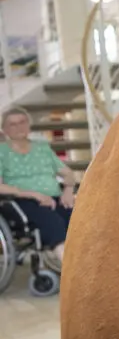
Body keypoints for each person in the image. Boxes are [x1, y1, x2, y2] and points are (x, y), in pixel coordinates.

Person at [0, 107, 75, 262]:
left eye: (22, 122)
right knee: (54, 223)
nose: (18, 127)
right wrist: (33, 194)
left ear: (29, 125)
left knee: (78, 219)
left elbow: (68, 173)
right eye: (12, 124)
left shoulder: (42, 148)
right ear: (4, 129)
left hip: (55, 198)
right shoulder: (2, 152)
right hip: (21, 201)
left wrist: (68, 190)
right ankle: (75, 275)